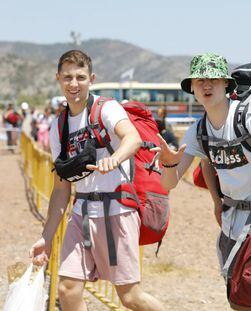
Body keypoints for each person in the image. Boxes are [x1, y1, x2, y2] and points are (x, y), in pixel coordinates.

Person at [29, 50, 164, 311]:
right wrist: (45, 237)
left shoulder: (106, 108)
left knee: (130, 297)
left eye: (80, 77)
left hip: (116, 210)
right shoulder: (59, 126)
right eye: (67, 77)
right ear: (58, 79)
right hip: (81, 213)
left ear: (91, 79)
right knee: (67, 290)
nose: (73, 83)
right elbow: (60, 189)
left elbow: (132, 138)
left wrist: (115, 159)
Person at [154, 53, 251, 280]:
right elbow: (170, 183)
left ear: (226, 84)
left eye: (213, 80)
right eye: (200, 81)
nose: (206, 86)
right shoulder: (199, 130)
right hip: (232, 221)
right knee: (238, 295)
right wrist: (168, 163)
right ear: (192, 89)